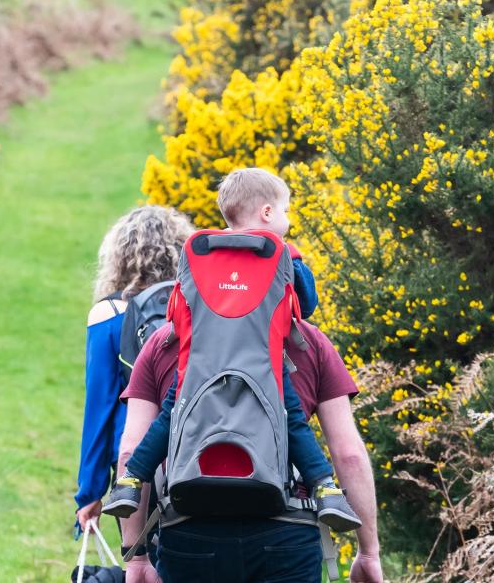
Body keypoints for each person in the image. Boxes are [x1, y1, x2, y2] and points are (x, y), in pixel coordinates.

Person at [102, 168, 360, 531]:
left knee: (171, 414)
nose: (287, 220)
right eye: (285, 211)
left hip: (200, 363)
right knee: (292, 419)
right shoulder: (282, 255)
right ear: (268, 213)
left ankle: (129, 484)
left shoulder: (201, 256)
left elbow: (180, 306)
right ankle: (326, 488)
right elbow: (306, 304)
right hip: (264, 363)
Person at [117, 319, 384, 583]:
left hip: (190, 532)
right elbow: (349, 454)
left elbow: (130, 452)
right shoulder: (307, 342)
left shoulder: (165, 342)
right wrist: (368, 553)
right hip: (288, 533)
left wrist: (136, 555)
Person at [74, 205, 194, 530]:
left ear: (119, 255)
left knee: (141, 563)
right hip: (193, 447)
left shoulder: (109, 313)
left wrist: (90, 492)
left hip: (133, 462)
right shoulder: (196, 307)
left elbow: (99, 408)